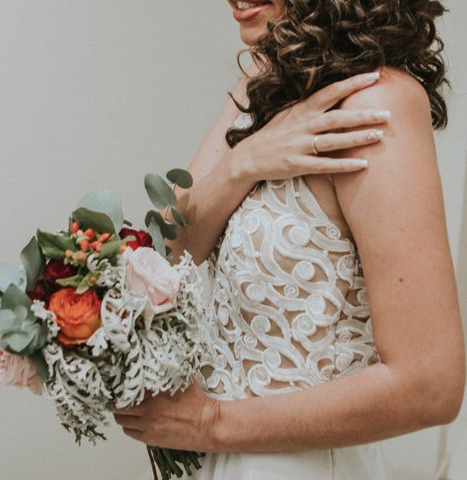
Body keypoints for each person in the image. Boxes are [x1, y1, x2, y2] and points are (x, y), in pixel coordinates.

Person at [113, 0, 466, 478]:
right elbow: (164, 253)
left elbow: (431, 385)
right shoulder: (263, 83)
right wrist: (246, 161)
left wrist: (209, 422)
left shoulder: (378, 100)